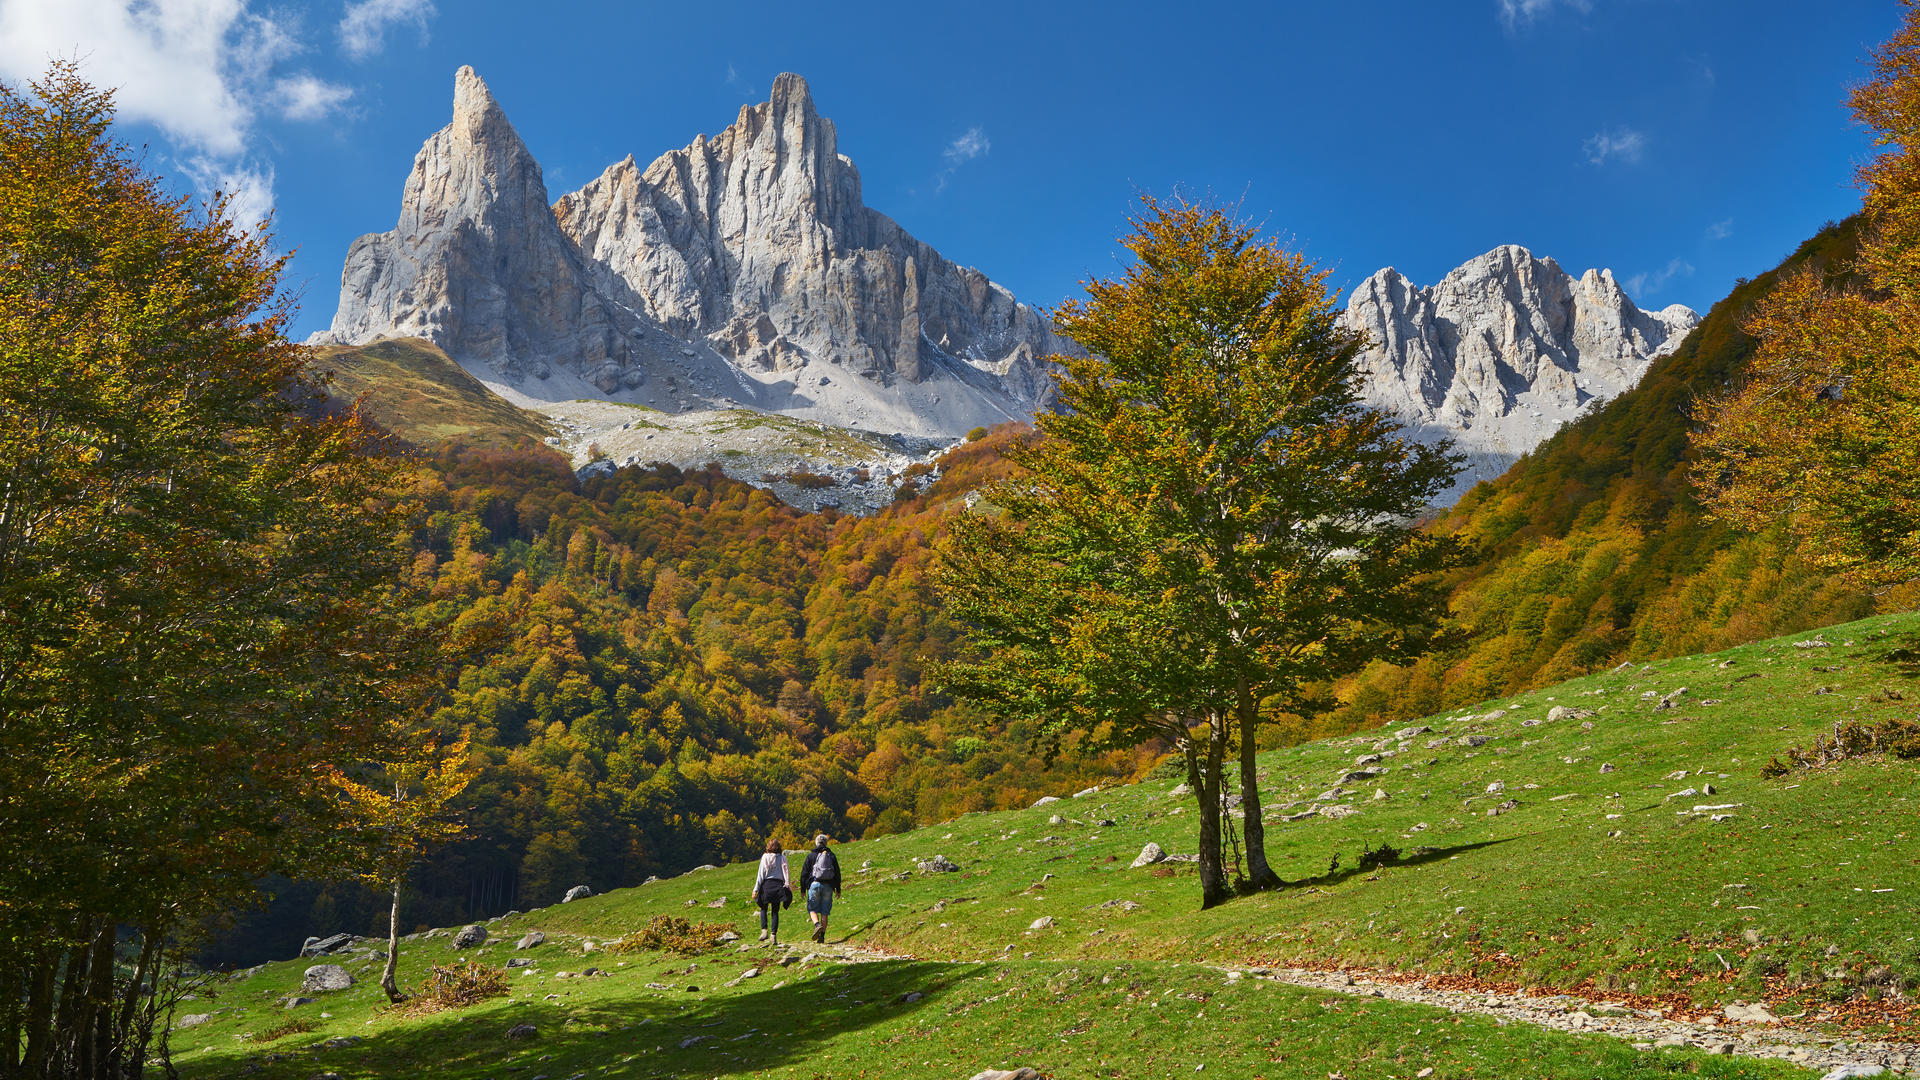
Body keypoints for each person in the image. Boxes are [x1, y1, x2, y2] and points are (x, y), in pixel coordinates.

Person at [797, 833, 841, 943]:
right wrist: (838, 889)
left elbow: (804, 873)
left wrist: (803, 889)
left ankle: (817, 925)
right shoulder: (831, 855)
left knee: (812, 909)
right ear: (826, 843)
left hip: (814, 884)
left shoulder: (811, 855)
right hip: (828, 886)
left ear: (816, 843)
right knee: (824, 912)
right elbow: (837, 873)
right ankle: (822, 937)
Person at [749, 838, 791, 945]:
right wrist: (787, 885)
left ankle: (764, 931)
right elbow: (786, 872)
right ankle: (773, 935)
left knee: (763, 908)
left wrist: (756, 889)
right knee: (775, 911)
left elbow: (761, 874)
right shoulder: (782, 858)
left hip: (767, 885)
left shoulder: (765, 857)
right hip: (778, 885)